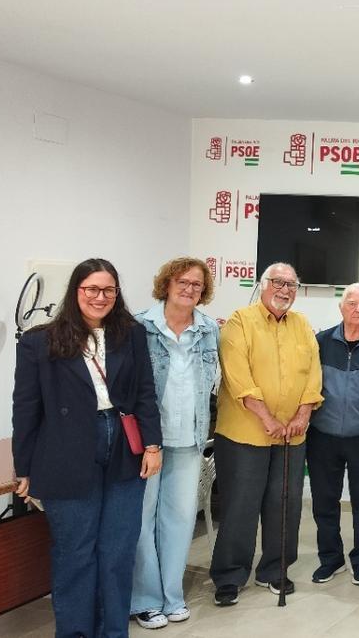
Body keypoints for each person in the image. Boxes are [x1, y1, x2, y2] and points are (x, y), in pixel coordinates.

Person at [12, 258, 162, 638]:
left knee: (117, 551)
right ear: (75, 291)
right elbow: (26, 408)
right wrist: (24, 467)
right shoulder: (39, 340)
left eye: (108, 290)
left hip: (124, 446)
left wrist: (152, 444)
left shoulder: (131, 333)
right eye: (91, 289)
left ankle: (113, 632)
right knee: (76, 552)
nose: (100, 297)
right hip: (65, 449)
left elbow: (145, 392)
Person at [209, 262, 323, 606]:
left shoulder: (302, 325)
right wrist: (267, 417)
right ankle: (229, 575)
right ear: (263, 285)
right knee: (240, 507)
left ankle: (275, 570)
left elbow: (313, 375)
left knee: (284, 505)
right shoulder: (239, 321)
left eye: (291, 284)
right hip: (245, 434)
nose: (285, 290)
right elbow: (238, 377)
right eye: (278, 282)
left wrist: (303, 414)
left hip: (291, 435)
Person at [131, 257, 220, 629]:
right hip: (148, 441)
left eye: (197, 284)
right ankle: (145, 599)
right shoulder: (139, 326)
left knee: (181, 520)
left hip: (189, 439)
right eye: (182, 281)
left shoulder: (208, 329)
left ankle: (172, 595)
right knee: (141, 520)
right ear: (166, 284)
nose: (189, 289)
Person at [308, 283, 359, 586]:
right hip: (323, 436)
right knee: (324, 501)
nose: (357, 309)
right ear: (341, 307)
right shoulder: (321, 342)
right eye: (352, 303)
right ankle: (330, 559)